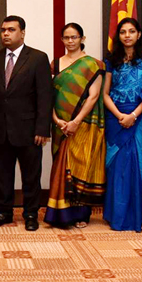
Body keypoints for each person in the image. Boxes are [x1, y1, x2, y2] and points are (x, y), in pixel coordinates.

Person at [0, 15, 53, 231]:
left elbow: (45, 95)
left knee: (31, 174)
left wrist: (42, 127)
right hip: (0, 129)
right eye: (3, 30)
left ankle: (31, 213)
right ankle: (3, 211)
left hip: (29, 129)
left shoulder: (38, 58)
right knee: (2, 174)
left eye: (11, 30)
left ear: (22, 33)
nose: (6, 33)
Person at [102, 18, 142, 232]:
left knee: (141, 168)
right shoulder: (112, 60)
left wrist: (133, 116)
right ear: (118, 36)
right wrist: (120, 115)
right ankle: (117, 215)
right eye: (123, 32)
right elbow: (105, 94)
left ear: (138, 34)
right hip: (116, 119)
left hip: (140, 119)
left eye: (132, 31)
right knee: (117, 169)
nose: (127, 35)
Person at [46, 23, 105, 229]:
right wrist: (56, 120)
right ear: (61, 39)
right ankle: (59, 214)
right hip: (60, 125)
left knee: (80, 167)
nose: (70, 41)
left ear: (82, 38)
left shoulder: (93, 65)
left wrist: (75, 122)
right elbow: (49, 97)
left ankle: (81, 214)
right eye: (66, 37)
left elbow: (94, 96)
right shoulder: (55, 64)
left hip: (83, 124)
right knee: (60, 168)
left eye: (74, 37)